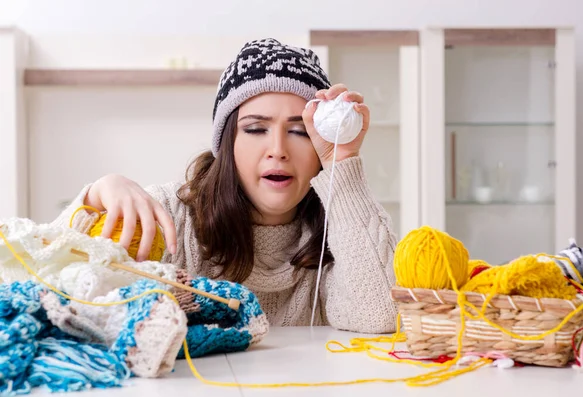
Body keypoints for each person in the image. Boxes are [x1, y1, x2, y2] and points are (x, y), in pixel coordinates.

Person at [53, 38, 398, 334]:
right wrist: (98, 194)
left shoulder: (337, 235)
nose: (277, 150)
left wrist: (342, 165)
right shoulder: (171, 217)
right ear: (227, 144)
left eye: (299, 132)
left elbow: (381, 313)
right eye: (255, 129)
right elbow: (44, 274)